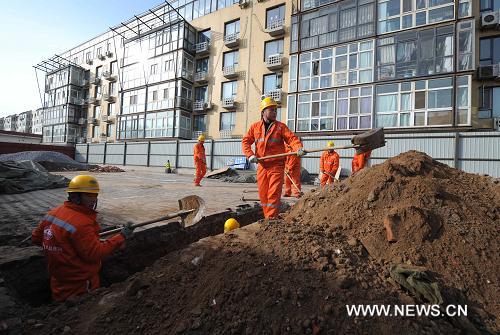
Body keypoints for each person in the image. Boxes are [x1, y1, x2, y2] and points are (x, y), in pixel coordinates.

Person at [31, 175, 134, 302]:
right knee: (83, 313)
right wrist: (122, 236)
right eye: (88, 196)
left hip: (58, 280)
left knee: (61, 309)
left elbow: (36, 238)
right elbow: (95, 253)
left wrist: (62, 248)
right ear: (75, 196)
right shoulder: (82, 222)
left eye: (95, 195)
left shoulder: (53, 213)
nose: (93, 199)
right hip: (81, 283)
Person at [242, 97, 304, 219]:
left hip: (276, 166)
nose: (275, 112)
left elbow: (292, 139)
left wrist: (298, 148)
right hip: (262, 166)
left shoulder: (280, 127)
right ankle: (267, 217)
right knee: (263, 195)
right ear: (263, 112)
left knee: (273, 194)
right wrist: (250, 155)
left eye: (276, 110)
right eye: (271, 110)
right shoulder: (255, 127)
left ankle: (271, 219)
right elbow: (246, 142)